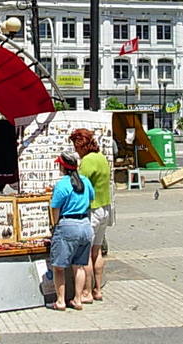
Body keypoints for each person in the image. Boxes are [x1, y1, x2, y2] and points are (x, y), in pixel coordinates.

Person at [48, 151, 95, 311]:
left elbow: (55, 207)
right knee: (79, 265)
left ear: (63, 166)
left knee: (59, 267)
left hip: (68, 225)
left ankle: (60, 301)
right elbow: (91, 199)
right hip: (85, 225)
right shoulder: (86, 182)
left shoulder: (62, 184)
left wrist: (55, 226)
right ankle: (78, 299)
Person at [70, 128, 111, 303]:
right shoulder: (102, 158)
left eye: (76, 146)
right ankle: (97, 288)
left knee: (85, 254)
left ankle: (86, 292)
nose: (75, 150)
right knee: (98, 251)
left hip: (92, 210)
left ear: (82, 145)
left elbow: (79, 185)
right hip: (105, 207)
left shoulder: (87, 161)